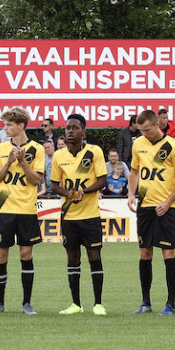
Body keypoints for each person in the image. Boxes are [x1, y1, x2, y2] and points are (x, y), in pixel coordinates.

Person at [127, 109, 175, 316]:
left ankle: (170, 304)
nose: (144, 134)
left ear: (157, 125)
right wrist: (130, 194)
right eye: (141, 130)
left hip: (165, 208)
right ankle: (146, 302)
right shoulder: (138, 144)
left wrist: (169, 201)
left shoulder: (172, 146)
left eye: (147, 130)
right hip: (145, 207)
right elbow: (135, 171)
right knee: (145, 252)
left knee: (168, 252)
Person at [0, 106, 45, 314]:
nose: (5, 128)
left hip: (27, 208)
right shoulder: (1, 149)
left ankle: (26, 304)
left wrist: (21, 161)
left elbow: (36, 179)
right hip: (4, 207)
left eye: (9, 125)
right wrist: (9, 162)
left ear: (21, 126)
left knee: (26, 255)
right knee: (1, 255)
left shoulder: (37, 148)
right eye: (5, 124)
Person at [49, 114, 109, 315]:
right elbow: (54, 185)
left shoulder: (94, 152)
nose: (70, 131)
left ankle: (98, 303)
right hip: (68, 216)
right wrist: (68, 193)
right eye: (67, 128)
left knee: (94, 256)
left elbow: (102, 180)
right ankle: (76, 304)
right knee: (72, 257)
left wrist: (86, 191)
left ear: (83, 132)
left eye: (75, 128)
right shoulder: (59, 156)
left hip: (90, 215)